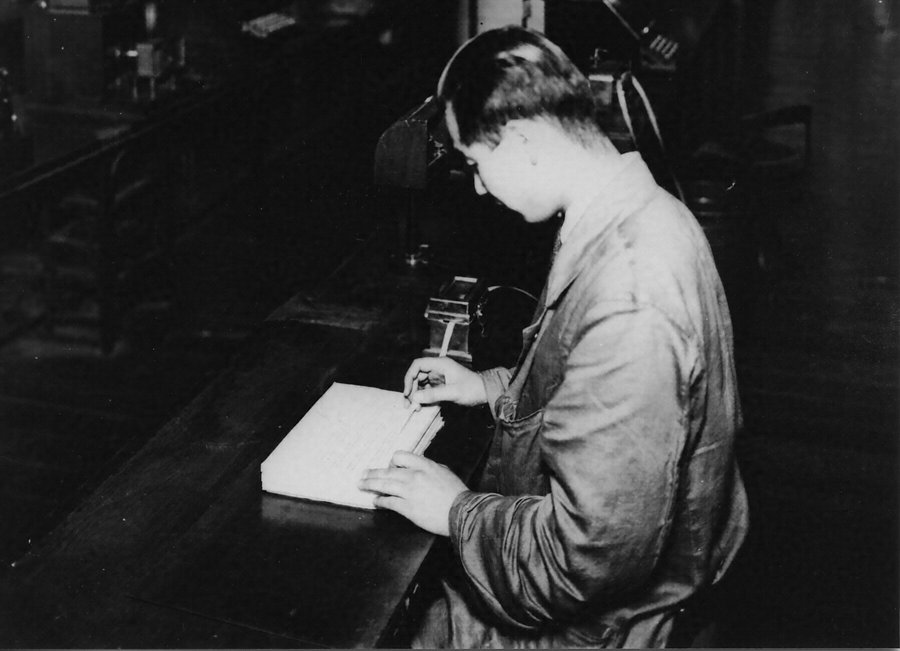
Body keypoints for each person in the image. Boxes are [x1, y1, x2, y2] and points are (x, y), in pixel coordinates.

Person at [359, 26, 749, 648]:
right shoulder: (630, 211)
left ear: (524, 140)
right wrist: (491, 387)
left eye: (477, 164)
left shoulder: (631, 296)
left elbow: (584, 561)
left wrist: (456, 511)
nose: (478, 186)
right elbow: (588, 393)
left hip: (606, 626)